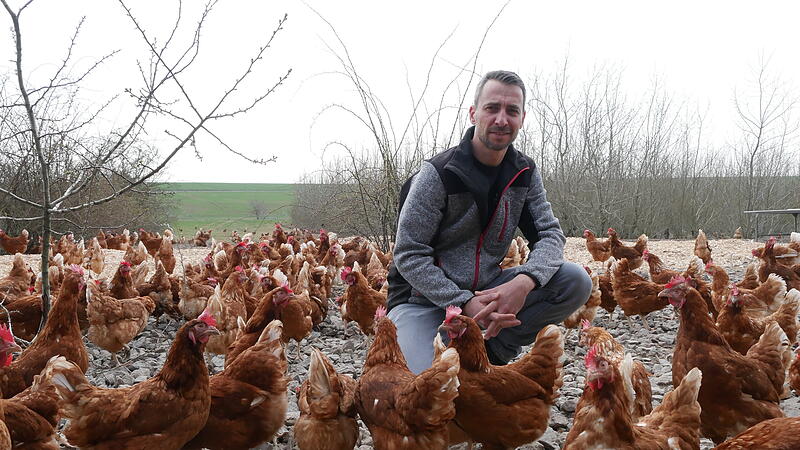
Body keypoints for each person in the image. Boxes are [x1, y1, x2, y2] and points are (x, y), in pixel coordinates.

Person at [387, 70, 592, 374]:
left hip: (487, 293)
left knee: (575, 281)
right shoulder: (438, 175)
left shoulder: (523, 173)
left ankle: (492, 350)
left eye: (512, 111)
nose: (501, 119)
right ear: (473, 113)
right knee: (426, 388)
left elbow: (550, 235)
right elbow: (408, 254)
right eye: (492, 108)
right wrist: (463, 302)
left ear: (522, 118)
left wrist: (525, 282)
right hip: (422, 303)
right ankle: (450, 347)